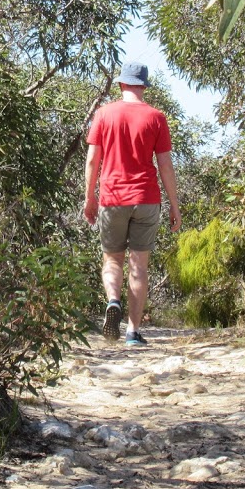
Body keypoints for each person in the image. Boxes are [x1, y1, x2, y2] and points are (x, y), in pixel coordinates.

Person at [83, 61, 181, 345]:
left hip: (112, 198)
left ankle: (113, 300)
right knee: (139, 265)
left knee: (112, 259)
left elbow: (92, 160)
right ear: (143, 85)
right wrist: (174, 205)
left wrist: (90, 199)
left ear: (122, 83)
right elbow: (165, 165)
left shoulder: (103, 114)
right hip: (147, 199)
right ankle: (132, 332)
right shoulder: (156, 117)